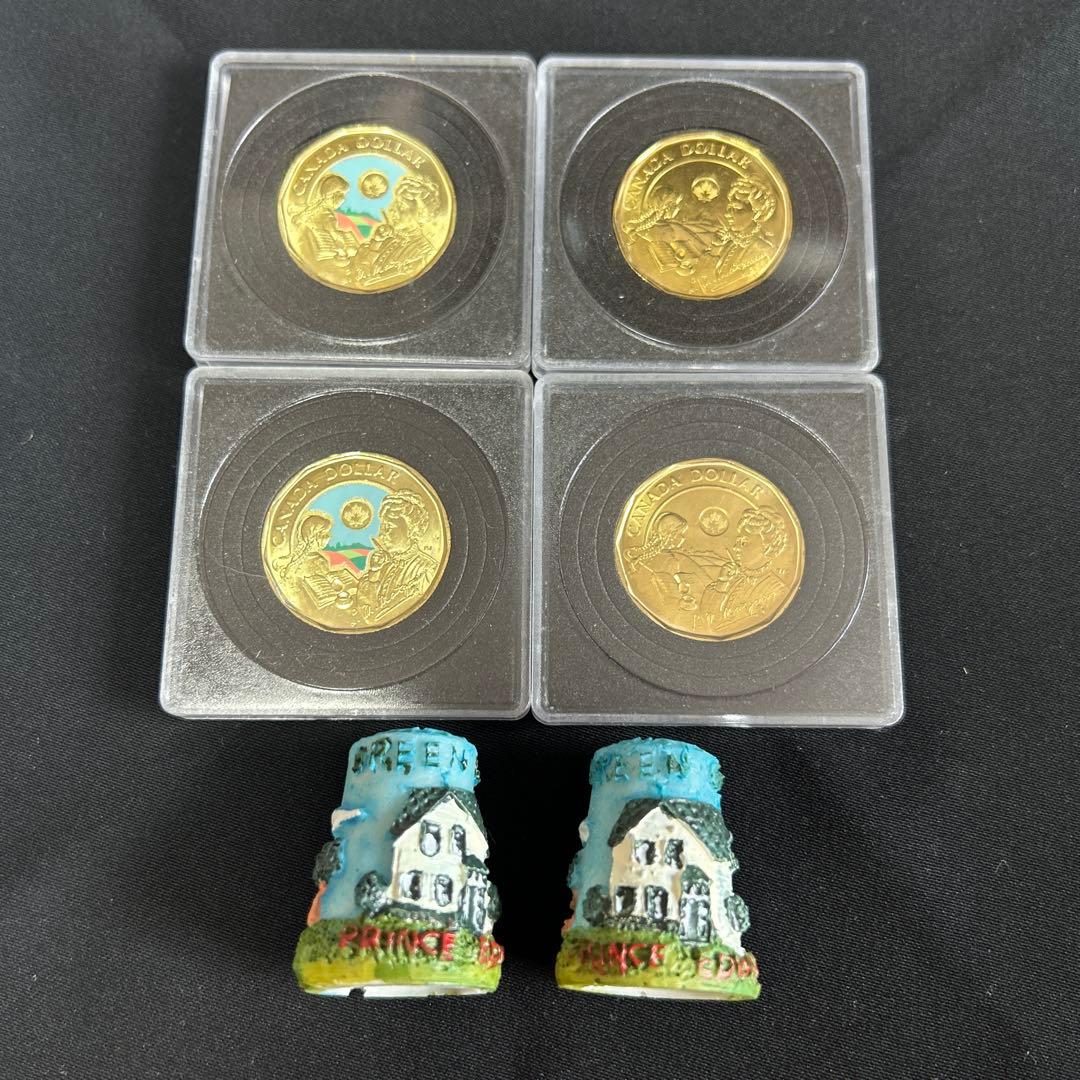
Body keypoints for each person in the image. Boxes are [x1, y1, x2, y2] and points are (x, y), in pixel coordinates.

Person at [699, 506, 791, 632]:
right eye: (737, 541)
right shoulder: (733, 581)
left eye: (743, 542)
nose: (735, 547)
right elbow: (707, 623)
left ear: (767, 547)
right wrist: (722, 583)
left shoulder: (777, 591)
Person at [354, 490, 439, 621]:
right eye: (382, 526)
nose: (381, 534)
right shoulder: (383, 565)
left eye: (388, 527)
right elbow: (365, 607)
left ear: (412, 529)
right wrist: (374, 571)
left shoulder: (427, 570)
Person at [290, 173, 359, 266]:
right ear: (332, 195)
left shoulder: (322, 210)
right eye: (341, 194)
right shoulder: (325, 214)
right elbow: (329, 226)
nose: (343, 199)